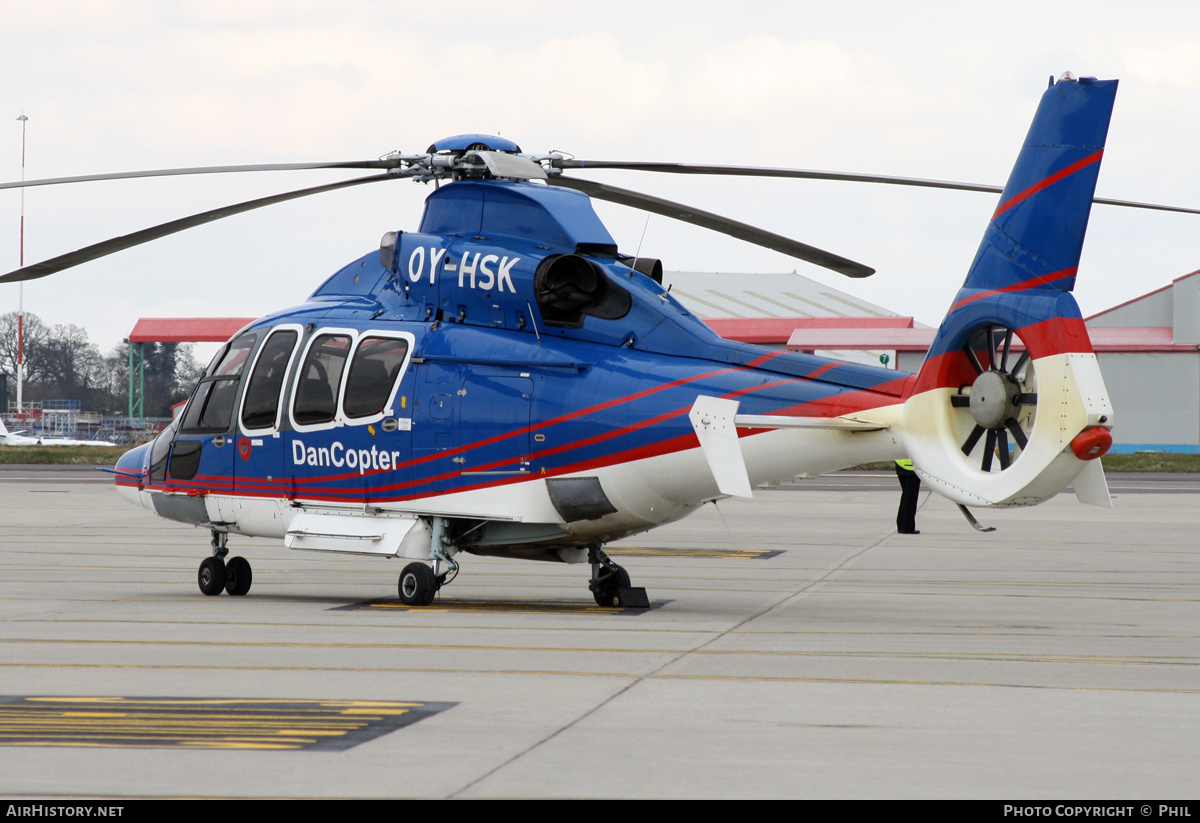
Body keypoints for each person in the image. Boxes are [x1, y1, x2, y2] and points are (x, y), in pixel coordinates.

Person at [894, 458, 920, 534]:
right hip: (910, 466)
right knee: (911, 498)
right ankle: (907, 527)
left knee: (905, 494)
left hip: (899, 464)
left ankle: (901, 524)